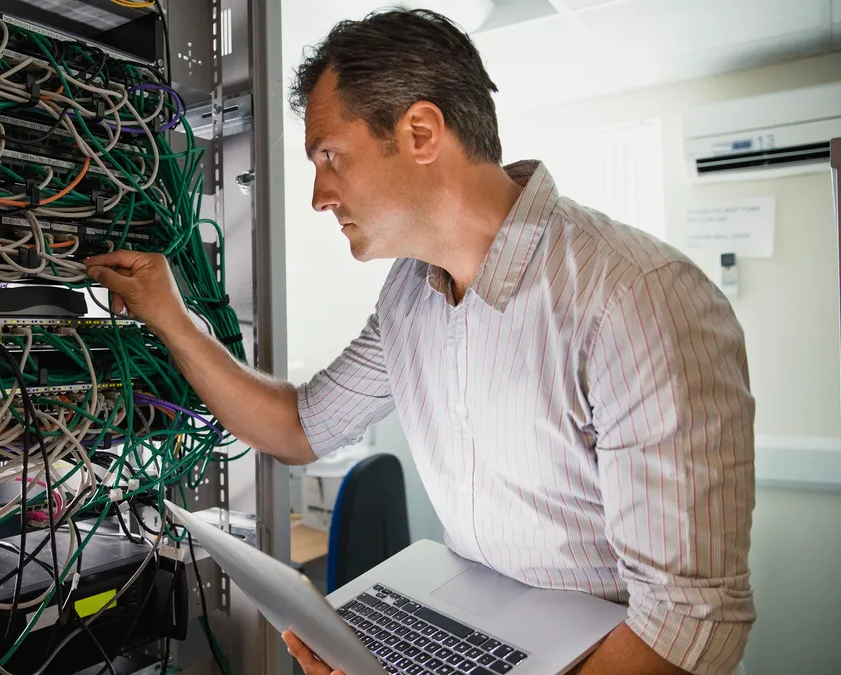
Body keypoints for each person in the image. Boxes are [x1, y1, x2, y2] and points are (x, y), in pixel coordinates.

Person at [85, 8, 756, 675]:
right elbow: (296, 426)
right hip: (480, 631)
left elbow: (688, 622)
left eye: (329, 155)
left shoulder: (634, 296)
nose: (320, 194)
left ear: (422, 132)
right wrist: (171, 318)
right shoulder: (410, 297)